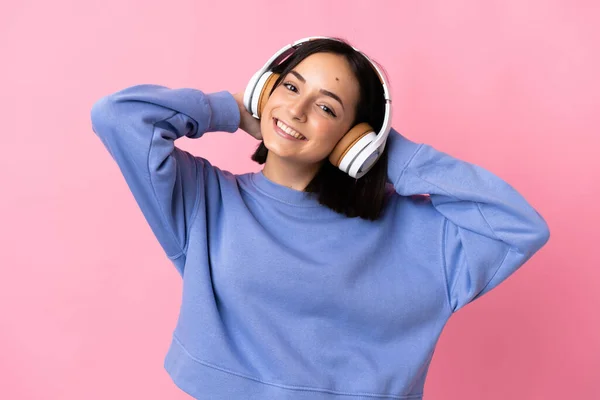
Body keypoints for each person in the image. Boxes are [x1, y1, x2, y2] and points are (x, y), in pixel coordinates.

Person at [90, 37, 550, 400]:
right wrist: (229, 107)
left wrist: (391, 154)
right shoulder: (205, 200)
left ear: (356, 137)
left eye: (327, 107)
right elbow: (117, 117)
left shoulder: (419, 233)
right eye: (290, 86)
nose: (296, 109)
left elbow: (518, 226)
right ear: (265, 89)